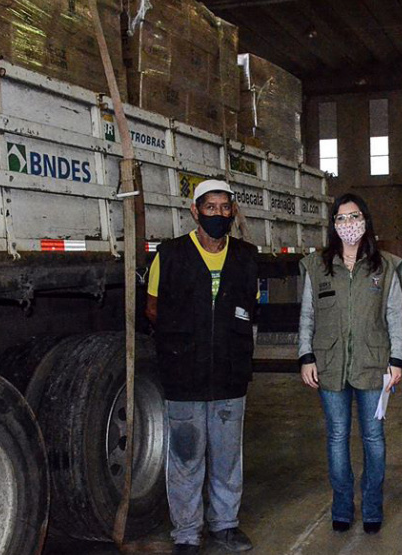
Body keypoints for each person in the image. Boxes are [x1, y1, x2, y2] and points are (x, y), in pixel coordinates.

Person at [146, 179, 257, 555]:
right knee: (186, 457)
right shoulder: (171, 254)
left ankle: (225, 526)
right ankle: (187, 533)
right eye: (211, 208)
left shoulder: (246, 256)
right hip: (184, 375)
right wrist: (184, 339)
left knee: (227, 457)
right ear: (195, 211)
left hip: (229, 374)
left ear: (232, 212)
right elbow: (152, 307)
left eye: (225, 208)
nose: (218, 215)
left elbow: (250, 306)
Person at [297, 193, 402, 535]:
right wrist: (306, 356)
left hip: (374, 365)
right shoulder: (316, 266)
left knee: (373, 437)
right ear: (333, 225)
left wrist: (397, 359)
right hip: (329, 365)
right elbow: (307, 316)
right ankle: (342, 506)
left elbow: (395, 315)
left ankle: (372, 507)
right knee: (337, 436)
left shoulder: (385, 266)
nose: (348, 224)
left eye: (354, 216)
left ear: (365, 221)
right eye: (341, 218)